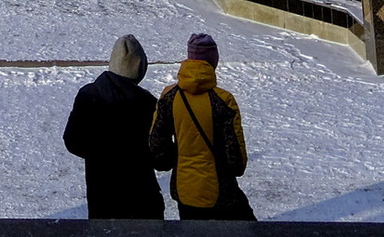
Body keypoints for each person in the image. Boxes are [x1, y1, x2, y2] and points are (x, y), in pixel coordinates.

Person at [149, 33, 253, 221]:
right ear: (213, 62)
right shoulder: (223, 100)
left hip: (184, 189)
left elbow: (157, 149)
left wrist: (179, 158)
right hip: (220, 192)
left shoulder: (169, 96)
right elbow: (236, 162)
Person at [63, 36, 163, 220]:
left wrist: (101, 154)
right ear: (140, 69)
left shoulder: (88, 95)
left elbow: (72, 141)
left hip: (102, 195)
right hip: (142, 198)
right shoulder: (148, 103)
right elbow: (160, 157)